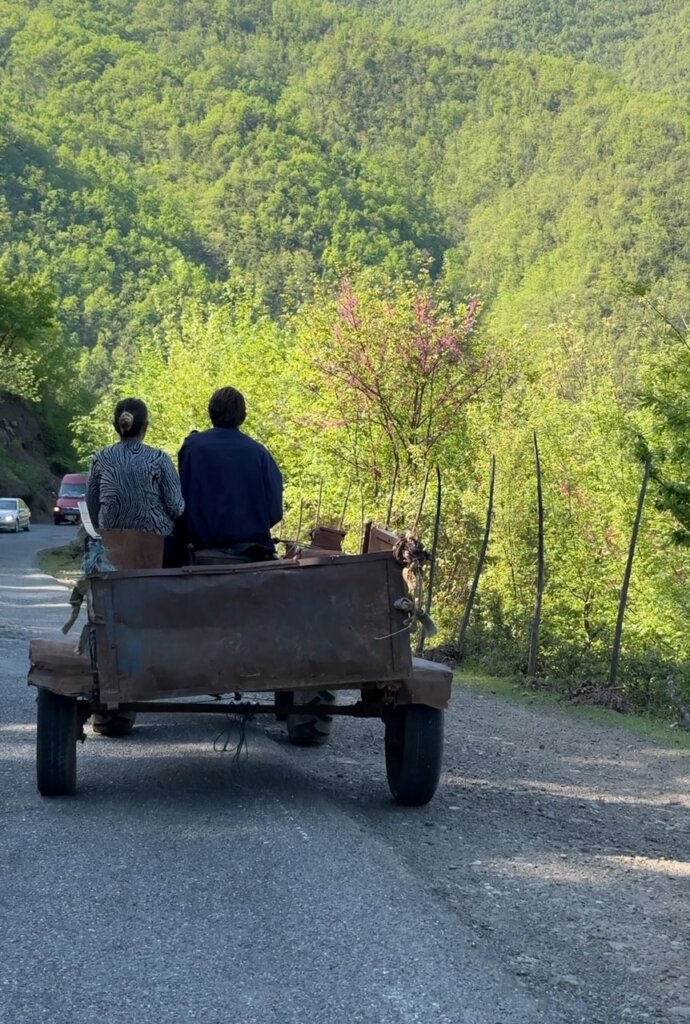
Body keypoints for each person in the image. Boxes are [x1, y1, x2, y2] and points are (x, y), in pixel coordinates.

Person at [178, 386, 282, 563]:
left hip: (201, 556)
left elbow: (179, 502)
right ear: (243, 416)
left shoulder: (192, 447)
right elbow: (275, 511)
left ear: (211, 412)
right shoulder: (259, 453)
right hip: (253, 557)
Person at [86, 397, 184, 537]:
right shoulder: (159, 459)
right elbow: (177, 508)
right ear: (146, 426)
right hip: (155, 545)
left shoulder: (100, 459)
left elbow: (92, 506)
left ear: (115, 426)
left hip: (113, 544)